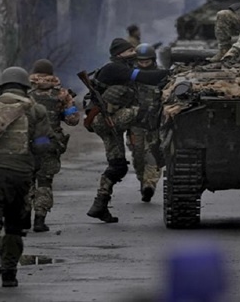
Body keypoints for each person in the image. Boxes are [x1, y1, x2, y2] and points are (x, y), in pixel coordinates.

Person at [0, 67, 55, 287]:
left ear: (1, 87)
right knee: (15, 224)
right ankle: (9, 272)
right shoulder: (36, 110)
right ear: (27, 88)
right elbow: (42, 144)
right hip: (19, 173)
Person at [86, 38, 169, 223]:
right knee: (144, 112)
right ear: (119, 54)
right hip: (107, 120)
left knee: (118, 167)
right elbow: (147, 77)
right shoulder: (115, 68)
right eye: (130, 50)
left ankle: (100, 205)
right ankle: (157, 150)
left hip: (107, 122)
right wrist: (171, 73)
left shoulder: (119, 66)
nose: (134, 52)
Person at [27, 59, 80, 232]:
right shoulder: (61, 94)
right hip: (48, 142)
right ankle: (39, 220)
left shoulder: (25, 93)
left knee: (26, 180)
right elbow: (73, 120)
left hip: (27, 142)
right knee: (44, 181)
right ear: (51, 74)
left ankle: (23, 218)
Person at [129, 44, 165, 202]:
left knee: (152, 154)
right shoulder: (131, 76)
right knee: (138, 155)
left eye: (147, 61)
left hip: (154, 123)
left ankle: (149, 185)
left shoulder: (161, 76)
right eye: (140, 61)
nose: (144, 64)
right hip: (135, 122)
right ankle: (142, 180)